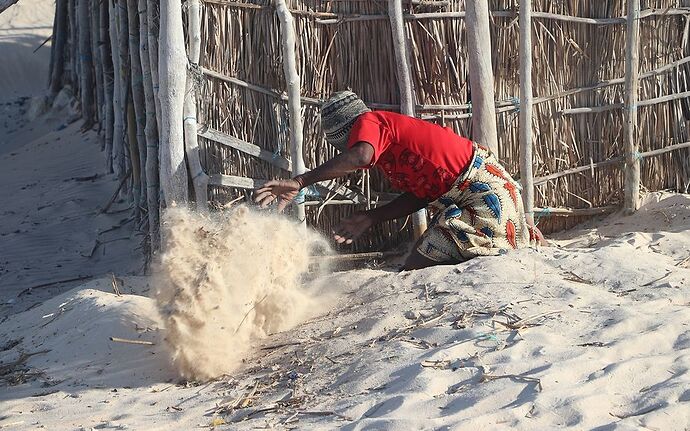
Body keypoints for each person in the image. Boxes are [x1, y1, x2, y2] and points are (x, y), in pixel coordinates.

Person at [254, 91, 541, 270]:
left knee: (418, 263)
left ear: (349, 132)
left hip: (485, 194)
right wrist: (371, 217)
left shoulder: (371, 122)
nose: (350, 149)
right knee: (418, 259)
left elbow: (360, 156)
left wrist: (300, 181)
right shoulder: (390, 150)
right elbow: (422, 196)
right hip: (481, 195)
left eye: (347, 144)